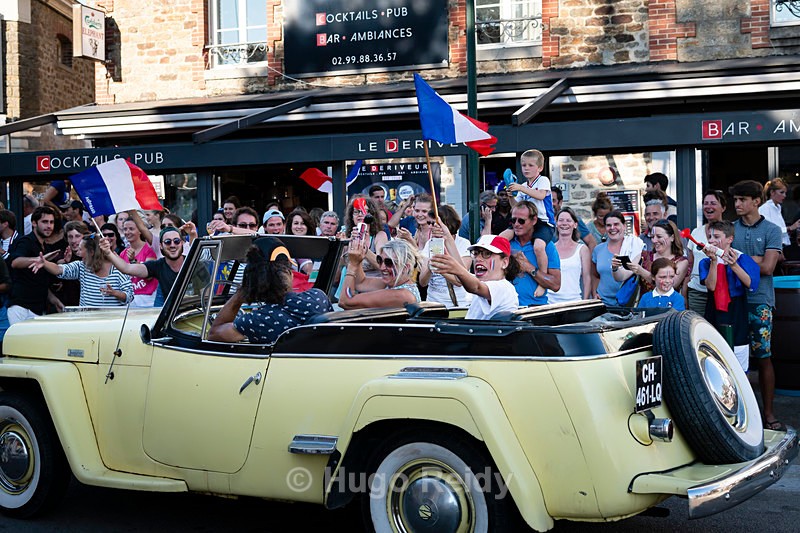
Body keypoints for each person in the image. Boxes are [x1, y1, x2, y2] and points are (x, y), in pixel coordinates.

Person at [208, 237, 332, 344]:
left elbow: (214, 334)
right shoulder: (318, 298)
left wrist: (243, 291)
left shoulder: (256, 320)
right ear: (290, 273)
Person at [731, 180, 783, 430]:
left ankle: (769, 415)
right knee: (733, 359)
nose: (737, 204)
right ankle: (740, 414)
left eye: (742, 200)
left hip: (760, 301)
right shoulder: (730, 229)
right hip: (733, 301)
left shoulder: (772, 229)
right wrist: (755, 259)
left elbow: (768, 268)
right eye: (735, 200)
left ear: (756, 202)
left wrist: (739, 258)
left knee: (763, 357)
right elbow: (725, 261)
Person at [699, 220, 760, 372]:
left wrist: (734, 265)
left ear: (729, 239)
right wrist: (714, 261)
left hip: (737, 311)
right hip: (714, 311)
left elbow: (751, 284)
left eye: (716, 236)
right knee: (714, 359)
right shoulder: (706, 262)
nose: (711, 240)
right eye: (709, 236)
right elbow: (711, 286)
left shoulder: (742, 258)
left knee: (739, 359)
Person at [30, 234, 134, 307]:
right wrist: (45, 263)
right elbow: (58, 269)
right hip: (87, 322)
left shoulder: (118, 268)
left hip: (112, 323)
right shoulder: (81, 267)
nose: (77, 253)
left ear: (92, 252)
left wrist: (115, 293)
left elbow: (130, 296)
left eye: (80, 249)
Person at [431, 234, 520, 319]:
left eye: (487, 254)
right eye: (476, 253)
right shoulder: (480, 281)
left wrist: (457, 269)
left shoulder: (504, 287)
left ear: (504, 262)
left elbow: (475, 287)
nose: (478, 259)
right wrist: (446, 236)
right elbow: (461, 277)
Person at [101, 226, 189, 306]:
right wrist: (108, 253)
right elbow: (126, 268)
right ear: (161, 246)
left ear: (181, 243)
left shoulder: (191, 261)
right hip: (173, 316)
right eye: (168, 242)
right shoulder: (157, 266)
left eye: (176, 241)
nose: (172, 245)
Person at [7, 206, 63, 324]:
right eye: (44, 222)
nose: (49, 226)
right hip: (21, 308)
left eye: (51, 222)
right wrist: (38, 260)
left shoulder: (47, 248)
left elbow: (40, 282)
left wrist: (54, 300)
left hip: (39, 309)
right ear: (34, 223)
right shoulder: (25, 242)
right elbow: (15, 262)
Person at [500, 200, 561, 305]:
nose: (516, 224)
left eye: (521, 221)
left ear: (534, 220)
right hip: (506, 308)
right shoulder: (507, 242)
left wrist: (530, 268)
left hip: (534, 309)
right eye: (513, 220)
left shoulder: (546, 246)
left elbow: (555, 285)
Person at [338, 239, 421, 309]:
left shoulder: (402, 295)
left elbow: (346, 302)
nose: (382, 267)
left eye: (389, 262)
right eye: (380, 260)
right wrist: (359, 251)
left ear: (405, 267)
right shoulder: (395, 284)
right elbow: (361, 283)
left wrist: (353, 264)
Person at [419, 205, 473, 308]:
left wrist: (441, 268)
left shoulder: (464, 243)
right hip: (434, 303)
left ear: (446, 224)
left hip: (458, 304)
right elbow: (423, 282)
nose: (430, 226)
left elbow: (460, 280)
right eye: (428, 223)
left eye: (433, 223)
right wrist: (430, 267)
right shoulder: (430, 243)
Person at [591, 210, 645, 306]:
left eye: (616, 224)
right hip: (603, 303)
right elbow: (595, 275)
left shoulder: (634, 246)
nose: (612, 228)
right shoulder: (598, 250)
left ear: (624, 226)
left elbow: (628, 274)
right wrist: (594, 292)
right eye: (608, 225)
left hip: (627, 302)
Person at [686, 190, 727, 314]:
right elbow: (690, 265)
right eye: (705, 203)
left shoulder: (730, 232)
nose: (708, 207)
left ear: (723, 208)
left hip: (722, 291)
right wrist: (684, 292)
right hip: (697, 292)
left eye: (713, 203)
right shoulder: (696, 232)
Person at [629, 219, 689, 298]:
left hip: (669, 307)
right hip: (645, 306)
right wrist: (615, 268)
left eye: (659, 236)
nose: (654, 240)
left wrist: (641, 271)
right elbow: (622, 275)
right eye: (652, 236)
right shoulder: (644, 256)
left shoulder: (681, 261)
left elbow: (670, 285)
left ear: (672, 238)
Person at [548, 207, 591, 304]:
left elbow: (587, 278)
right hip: (550, 302)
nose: (564, 223)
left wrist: (585, 302)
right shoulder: (549, 248)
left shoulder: (582, 250)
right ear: (556, 224)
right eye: (561, 220)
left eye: (568, 220)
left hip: (574, 302)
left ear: (575, 225)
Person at [344, 195, 389, 277]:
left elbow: (382, 265)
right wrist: (342, 246)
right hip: (351, 281)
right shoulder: (347, 236)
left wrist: (363, 246)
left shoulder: (380, 236)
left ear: (371, 215)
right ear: (352, 217)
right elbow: (341, 267)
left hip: (373, 283)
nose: (360, 215)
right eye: (356, 212)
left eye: (364, 211)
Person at [121, 218, 158, 307]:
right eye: (125, 229)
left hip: (148, 300)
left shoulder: (149, 250)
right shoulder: (123, 253)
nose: (127, 232)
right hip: (130, 300)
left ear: (140, 231)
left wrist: (133, 261)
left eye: (131, 229)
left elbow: (150, 276)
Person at [549, 186, 596, 251]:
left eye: (553, 200)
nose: (550, 204)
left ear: (560, 202)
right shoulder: (539, 221)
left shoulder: (573, 219)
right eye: (547, 201)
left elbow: (591, 242)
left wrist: (588, 260)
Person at [760, 178, 800, 249]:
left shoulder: (778, 208)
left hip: (782, 247)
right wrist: (789, 228)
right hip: (774, 249)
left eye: (785, 193)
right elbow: (766, 231)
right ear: (772, 192)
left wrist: (791, 231)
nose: (784, 195)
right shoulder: (764, 209)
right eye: (782, 192)